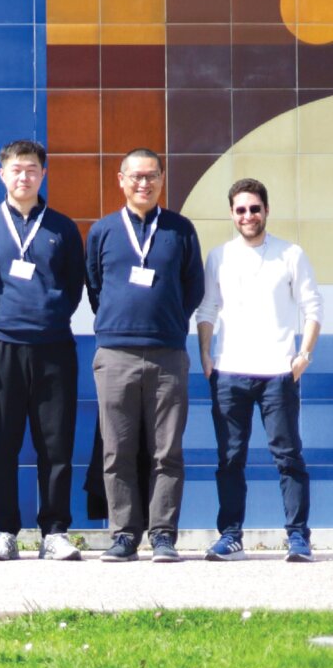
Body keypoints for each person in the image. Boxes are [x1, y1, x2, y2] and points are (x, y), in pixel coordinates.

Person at [0, 140, 87, 562]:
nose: (24, 176)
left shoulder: (63, 228)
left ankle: (55, 531)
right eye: (16, 169)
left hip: (53, 349)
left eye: (32, 169)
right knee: (0, 444)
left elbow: (73, 286)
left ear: (43, 174)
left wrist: (49, 316)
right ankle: (4, 531)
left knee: (56, 444)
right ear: (2, 175)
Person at [86, 148, 204, 564]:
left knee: (166, 451)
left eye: (152, 175)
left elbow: (193, 287)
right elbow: (94, 286)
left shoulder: (180, 230)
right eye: (136, 176)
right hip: (115, 353)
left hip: (167, 354)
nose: (144, 183)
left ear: (162, 179)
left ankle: (163, 534)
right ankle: (123, 535)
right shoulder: (102, 230)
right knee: (117, 450)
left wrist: (167, 320)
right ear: (121, 180)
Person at [197, 177, 317, 563]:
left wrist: (304, 355)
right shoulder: (219, 256)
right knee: (230, 459)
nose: (247, 215)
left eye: (254, 208)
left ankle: (298, 537)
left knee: (288, 456)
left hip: (278, 373)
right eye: (240, 210)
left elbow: (312, 307)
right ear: (232, 214)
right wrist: (205, 354)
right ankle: (231, 536)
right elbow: (207, 308)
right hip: (229, 372)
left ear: (266, 210)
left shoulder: (290, 254)